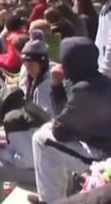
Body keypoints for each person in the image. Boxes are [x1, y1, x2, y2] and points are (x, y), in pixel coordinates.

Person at [30, 37, 111, 203]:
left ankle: (51, 200)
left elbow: (60, 131)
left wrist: (56, 85)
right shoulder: (103, 80)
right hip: (104, 145)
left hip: (103, 159)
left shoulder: (84, 88)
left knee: (41, 139)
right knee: (46, 129)